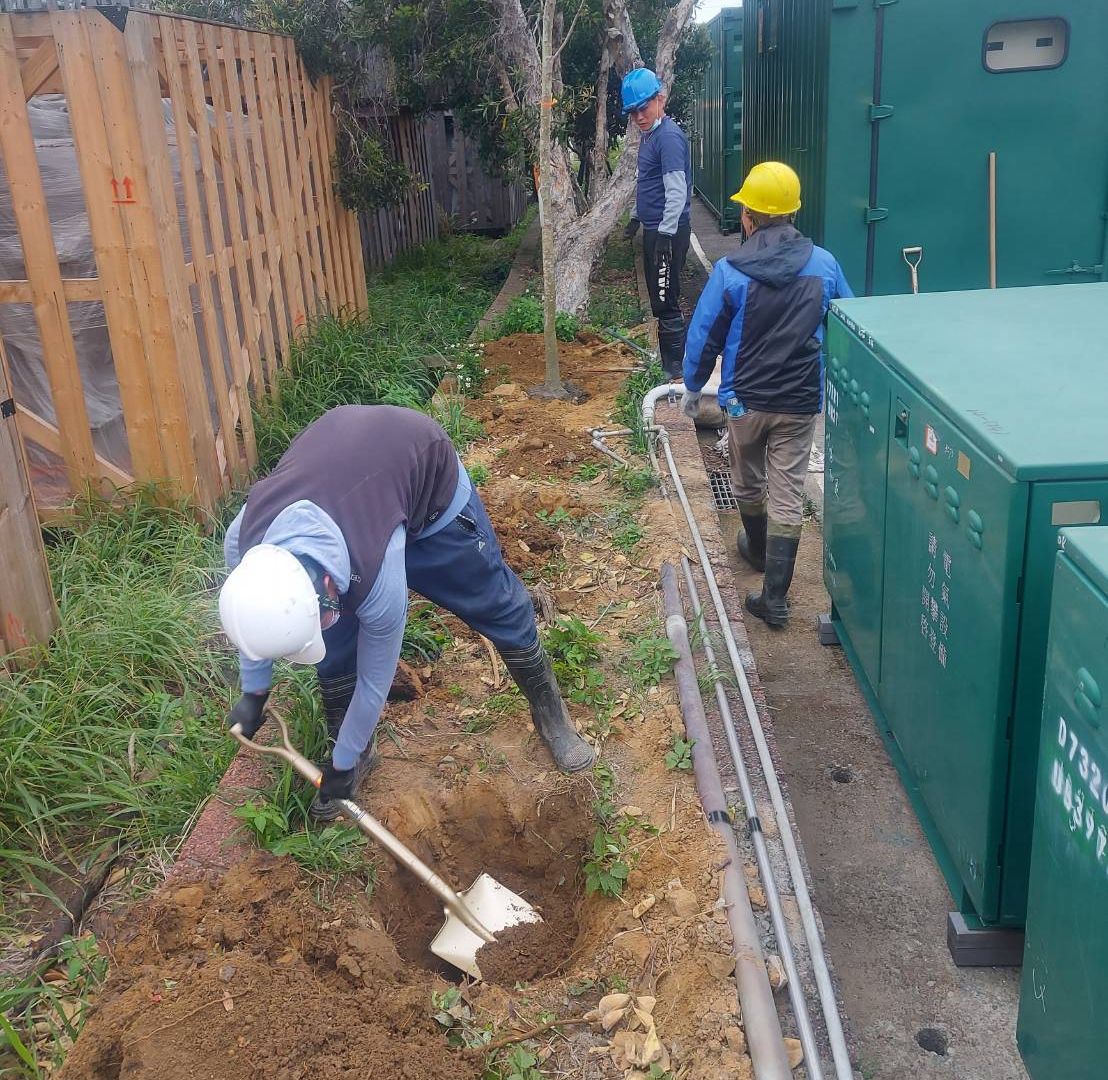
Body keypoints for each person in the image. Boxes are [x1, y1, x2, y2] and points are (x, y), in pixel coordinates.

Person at [218, 405, 595, 819]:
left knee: (496, 603)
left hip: (428, 496)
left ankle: (551, 716)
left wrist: (338, 764)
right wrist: (254, 692)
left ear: (325, 586)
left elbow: (375, 682)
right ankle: (361, 754)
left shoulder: (377, 576)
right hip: (354, 483)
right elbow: (255, 613)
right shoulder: (245, 543)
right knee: (336, 642)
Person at [680, 162, 852, 630]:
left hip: (743, 402)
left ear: (751, 216)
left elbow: (704, 335)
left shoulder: (730, 270)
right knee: (789, 492)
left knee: (747, 480)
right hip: (799, 402)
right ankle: (774, 596)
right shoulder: (825, 264)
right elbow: (851, 330)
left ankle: (756, 550)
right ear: (794, 213)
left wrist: (693, 388)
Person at [620, 67, 692, 379]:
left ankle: (674, 369)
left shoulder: (669, 138)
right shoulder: (650, 137)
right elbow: (647, 182)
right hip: (655, 228)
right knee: (657, 296)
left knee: (666, 296)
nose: (639, 116)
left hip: (669, 231)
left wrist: (665, 234)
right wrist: (636, 216)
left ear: (659, 99)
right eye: (633, 112)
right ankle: (668, 361)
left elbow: (676, 190)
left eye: (643, 108)